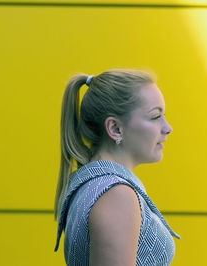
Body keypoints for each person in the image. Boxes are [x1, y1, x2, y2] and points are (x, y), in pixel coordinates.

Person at [53, 68, 181, 265]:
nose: (168, 128)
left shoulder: (96, 186)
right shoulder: (116, 195)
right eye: (155, 116)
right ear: (115, 128)